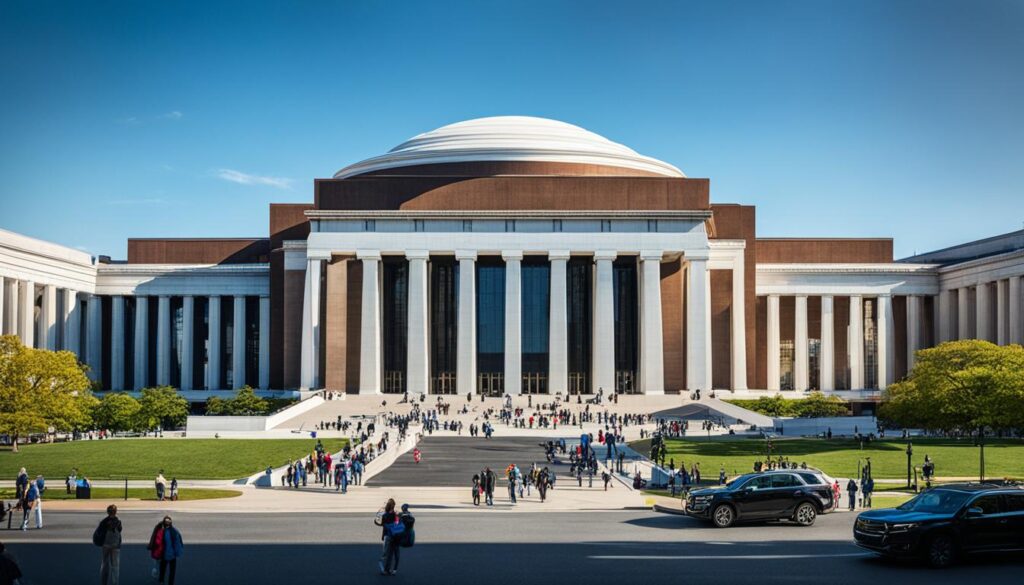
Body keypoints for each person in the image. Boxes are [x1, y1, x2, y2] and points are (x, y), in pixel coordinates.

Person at [147, 516, 184, 585]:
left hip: (163, 554)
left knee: (162, 568)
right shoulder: (174, 532)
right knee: (172, 571)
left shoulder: (160, 532)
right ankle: (170, 583)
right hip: (172, 555)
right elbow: (177, 544)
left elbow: (157, 542)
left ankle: (161, 581)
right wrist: (177, 553)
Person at [94, 505, 122, 585]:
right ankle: (115, 582)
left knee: (104, 563)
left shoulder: (104, 522)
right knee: (115, 565)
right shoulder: (118, 522)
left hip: (106, 545)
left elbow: (99, 532)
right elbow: (120, 531)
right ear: (115, 512)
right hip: (116, 545)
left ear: (107, 512)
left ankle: (104, 582)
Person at [376, 499, 402, 575]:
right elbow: (398, 523)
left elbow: (378, 522)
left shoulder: (385, 515)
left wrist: (380, 510)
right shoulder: (395, 515)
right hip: (395, 536)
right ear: (393, 506)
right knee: (393, 553)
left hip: (387, 535)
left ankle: (386, 569)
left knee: (387, 553)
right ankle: (391, 569)